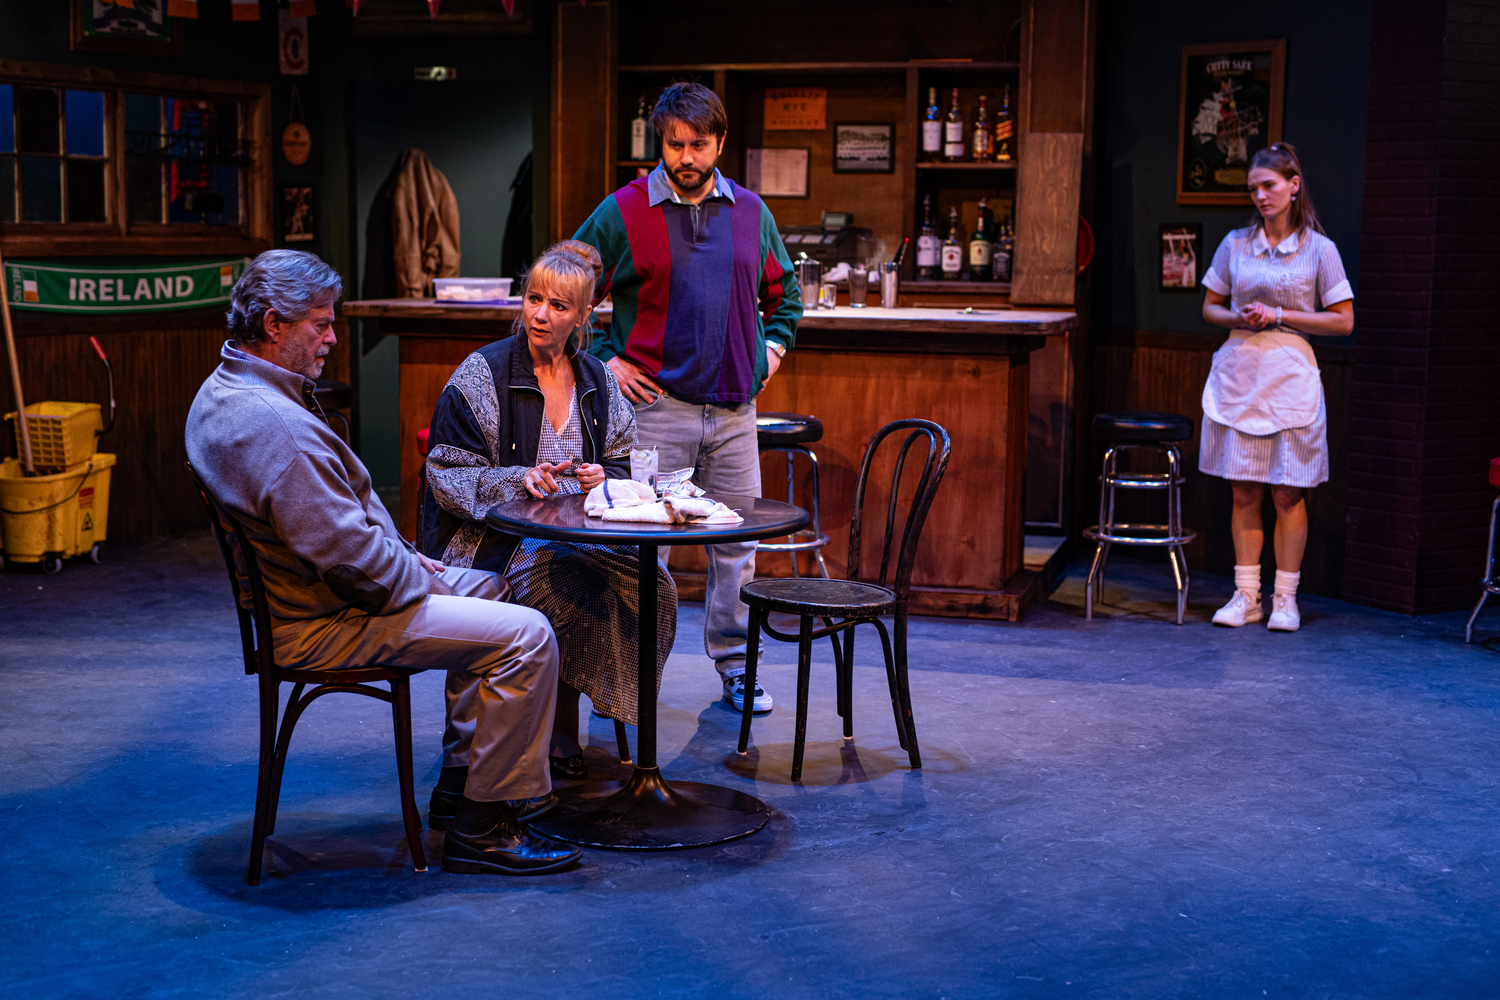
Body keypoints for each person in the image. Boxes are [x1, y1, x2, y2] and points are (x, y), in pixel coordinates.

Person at [186, 249, 580, 877]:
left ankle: (464, 780)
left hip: (329, 593)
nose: (332, 337)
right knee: (529, 636)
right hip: (328, 619)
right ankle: (484, 830)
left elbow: (338, 540)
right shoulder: (273, 429)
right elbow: (355, 565)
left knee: (491, 585)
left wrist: (411, 561)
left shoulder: (225, 388)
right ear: (272, 323)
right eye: (320, 323)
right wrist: (413, 572)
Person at [571, 82, 802, 714]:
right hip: (654, 412)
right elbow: (564, 286)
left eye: (698, 144)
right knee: (643, 553)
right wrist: (605, 362)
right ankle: (632, 675)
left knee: (737, 552)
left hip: (733, 413)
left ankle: (737, 668)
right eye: (674, 144)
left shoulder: (753, 213)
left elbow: (787, 299)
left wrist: (769, 354)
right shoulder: (623, 211)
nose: (686, 157)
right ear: (661, 144)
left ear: (720, 144)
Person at [419, 242, 678, 783]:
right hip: (491, 537)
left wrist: (604, 476)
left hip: (580, 536)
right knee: (550, 581)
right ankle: (517, 749)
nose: (540, 314)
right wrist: (520, 480)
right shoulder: (481, 375)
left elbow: (624, 463)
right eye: (534, 299)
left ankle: (594, 714)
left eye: (559, 306)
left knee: (655, 585)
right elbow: (446, 474)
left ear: (585, 316)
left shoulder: (598, 381)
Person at [1199, 142, 1355, 632]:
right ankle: (1247, 595)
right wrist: (1240, 316)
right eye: (1253, 189)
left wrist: (1281, 314)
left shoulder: (1319, 250)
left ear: (1293, 185)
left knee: (1289, 493)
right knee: (1244, 491)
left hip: (1290, 376)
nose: (1261, 196)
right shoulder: (1235, 244)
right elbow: (1210, 307)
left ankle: (1284, 597)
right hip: (1243, 373)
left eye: (1268, 185)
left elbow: (1344, 321)